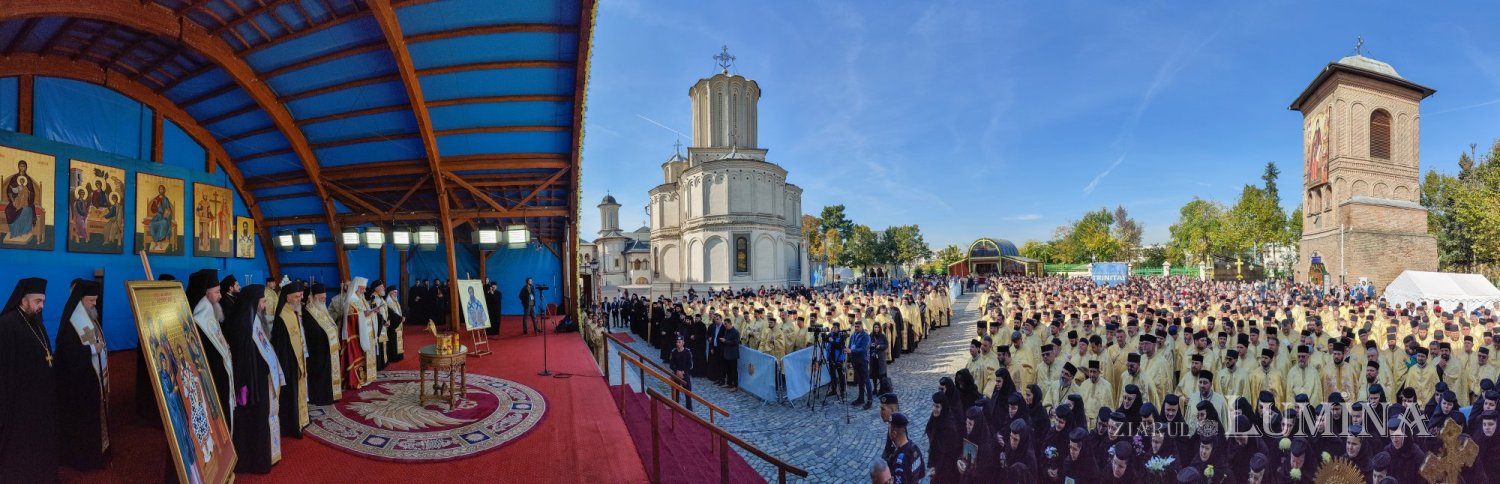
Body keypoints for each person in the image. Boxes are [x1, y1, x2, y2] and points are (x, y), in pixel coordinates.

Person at [223, 285, 284, 474]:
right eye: (263, 301)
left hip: (259, 381)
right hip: (249, 386)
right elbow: (243, 359)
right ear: (254, 301)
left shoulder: (254, 318)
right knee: (252, 422)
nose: (265, 305)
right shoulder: (241, 323)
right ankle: (254, 461)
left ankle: (263, 456)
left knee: (261, 419)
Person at [54, 279, 110, 470]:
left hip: (91, 380)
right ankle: (82, 458)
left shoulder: (89, 317)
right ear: (80, 300)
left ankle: (97, 451)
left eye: (96, 300)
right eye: (91, 301)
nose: (95, 304)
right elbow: (67, 353)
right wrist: (92, 350)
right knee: (81, 422)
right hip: (77, 384)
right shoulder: (71, 323)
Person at [187, 269, 234, 428]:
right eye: (217, 292)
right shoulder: (200, 317)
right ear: (205, 294)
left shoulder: (210, 310)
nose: (220, 296)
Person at [269, 281, 309, 438]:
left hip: (296, 361)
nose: (299, 299)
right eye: (297, 296)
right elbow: (280, 346)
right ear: (287, 297)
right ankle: (291, 425)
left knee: (297, 393)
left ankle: (300, 419)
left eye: (300, 296)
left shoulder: (294, 312)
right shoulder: (281, 318)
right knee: (289, 396)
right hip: (288, 364)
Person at [302, 283, 342, 405]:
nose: (324, 300)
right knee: (319, 374)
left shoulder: (321, 309)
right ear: (313, 297)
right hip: (317, 351)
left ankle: (330, 395)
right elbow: (311, 332)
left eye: (324, 298)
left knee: (328, 373)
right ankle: (320, 397)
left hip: (328, 348)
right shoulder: (307, 312)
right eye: (321, 298)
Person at [886, 413, 926, 484]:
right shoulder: (915, 448)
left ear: (894, 433)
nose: (888, 432)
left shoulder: (899, 462)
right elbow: (922, 473)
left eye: (889, 428)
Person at [850, 320, 873, 408]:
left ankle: (870, 400)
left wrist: (851, 350)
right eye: (855, 327)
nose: (856, 328)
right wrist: (849, 355)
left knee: (866, 380)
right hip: (855, 360)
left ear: (862, 326)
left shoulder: (866, 336)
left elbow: (863, 349)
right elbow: (850, 345)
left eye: (858, 327)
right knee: (860, 380)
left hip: (863, 360)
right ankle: (861, 398)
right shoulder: (853, 335)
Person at [669, 336, 694, 410]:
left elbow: (690, 364)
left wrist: (683, 372)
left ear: (683, 343)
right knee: (675, 392)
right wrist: (676, 371)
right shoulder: (674, 352)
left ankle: (689, 410)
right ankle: (675, 407)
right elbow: (671, 364)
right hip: (676, 374)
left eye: (679, 342)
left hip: (685, 374)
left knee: (688, 393)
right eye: (677, 342)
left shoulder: (687, 352)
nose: (678, 344)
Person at [719, 317, 741, 390]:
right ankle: (729, 383)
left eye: (726, 324)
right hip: (726, 354)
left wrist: (725, 341)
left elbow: (735, 343)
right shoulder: (726, 331)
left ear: (730, 323)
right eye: (724, 324)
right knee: (728, 370)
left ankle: (735, 386)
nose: (725, 325)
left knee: (733, 371)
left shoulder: (736, 332)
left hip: (733, 355)